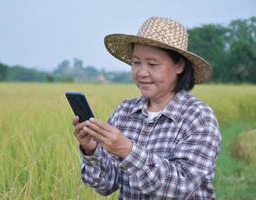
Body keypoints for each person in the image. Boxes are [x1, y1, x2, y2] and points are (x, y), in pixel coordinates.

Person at [72, 16, 221, 199]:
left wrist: (127, 150)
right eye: (136, 62)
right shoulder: (124, 112)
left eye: (152, 64)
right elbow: (106, 185)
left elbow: (182, 186)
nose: (142, 73)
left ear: (179, 66)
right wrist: (91, 149)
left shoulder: (198, 117)